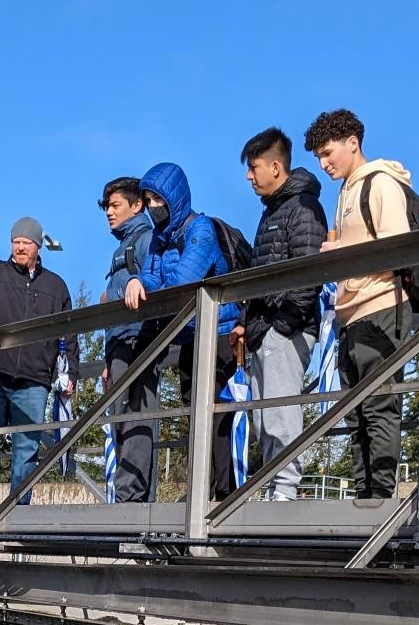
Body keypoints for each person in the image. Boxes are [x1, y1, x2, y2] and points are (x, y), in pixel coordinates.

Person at [303, 108, 411, 499]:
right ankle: (363, 492)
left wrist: (341, 249)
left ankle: (379, 495)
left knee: (379, 405)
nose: (324, 162)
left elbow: (398, 246)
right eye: (318, 157)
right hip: (351, 312)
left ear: (353, 142)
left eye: (328, 152)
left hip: (380, 305)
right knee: (356, 409)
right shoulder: (345, 190)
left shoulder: (380, 183)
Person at [121, 161, 241, 500]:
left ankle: (220, 492)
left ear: (174, 198)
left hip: (218, 332)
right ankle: (202, 489)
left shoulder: (200, 230)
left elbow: (182, 282)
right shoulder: (161, 240)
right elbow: (151, 276)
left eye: (158, 199)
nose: (153, 207)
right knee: (195, 411)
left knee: (217, 411)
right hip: (190, 335)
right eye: (148, 200)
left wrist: (151, 288)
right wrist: (135, 281)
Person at [239, 127, 327, 501]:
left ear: (276, 167)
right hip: (265, 330)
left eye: (254, 167)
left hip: (286, 328)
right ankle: (275, 485)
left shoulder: (303, 208)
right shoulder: (271, 211)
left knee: (280, 412)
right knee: (264, 416)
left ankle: (286, 491)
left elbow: (310, 273)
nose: (249, 176)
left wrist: (282, 326)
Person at [0, 217, 71, 502]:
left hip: (34, 378)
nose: (20, 247)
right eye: (16, 242)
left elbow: (68, 334)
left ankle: (19, 508)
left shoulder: (56, 286)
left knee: (27, 448)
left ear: (37, 247)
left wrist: (72, 374)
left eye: (26, 243)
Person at [98, 177, 162, 502]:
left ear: (137, 205)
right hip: (119, 344)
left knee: (137, 418)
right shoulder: (121, 246)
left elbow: (155, 283)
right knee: (121, 421)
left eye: (115, 205)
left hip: (139, 341)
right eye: (106, 206)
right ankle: (126, 496)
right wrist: (108, 357)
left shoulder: (145, 238)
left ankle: (133, 501)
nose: (108, 212)